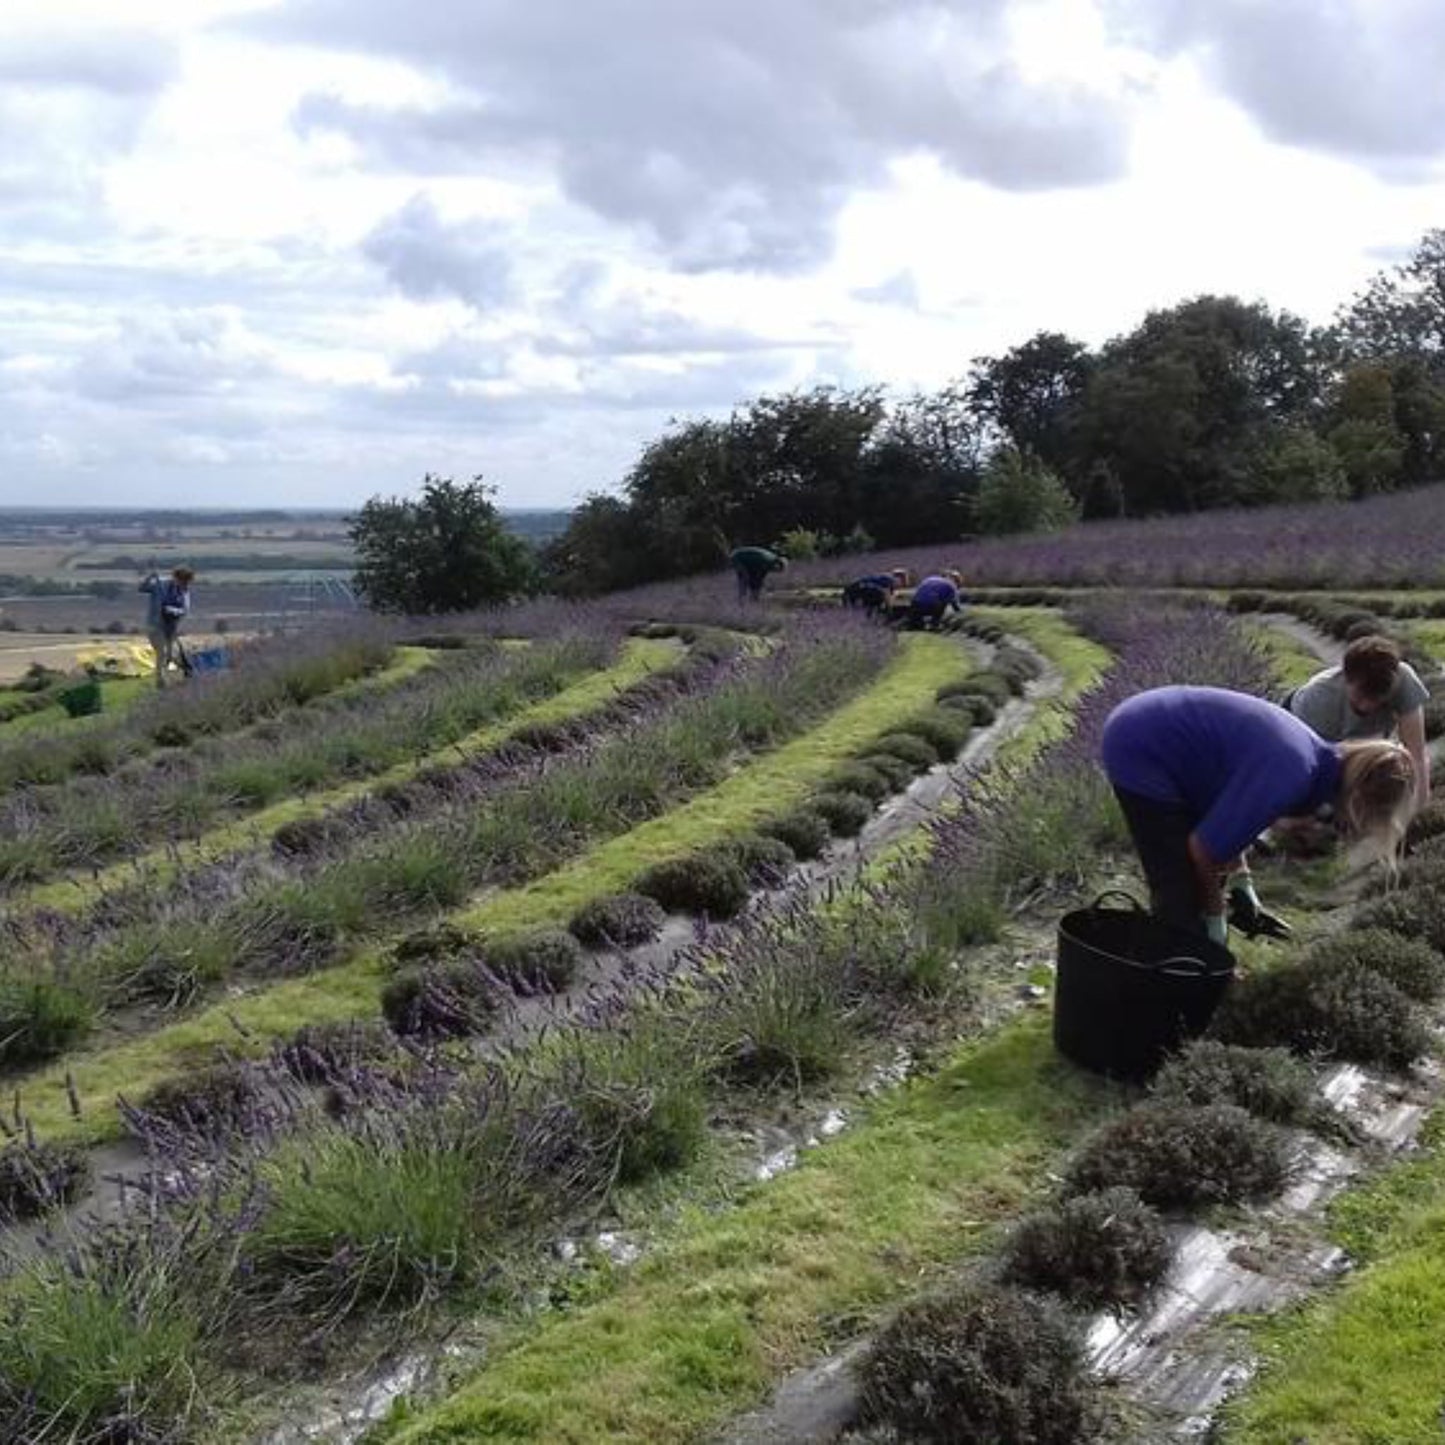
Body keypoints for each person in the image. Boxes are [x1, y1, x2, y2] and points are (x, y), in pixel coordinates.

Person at [1101, 685, 1415, 946]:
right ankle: (1172, 988)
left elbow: (1232, 813)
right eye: (1359, 819)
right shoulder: (1292, 774)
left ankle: (1182, 961)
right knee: (1179, 895)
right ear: (1358, 798)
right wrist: (1214, 917)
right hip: (1141, 746)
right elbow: (1203, 849)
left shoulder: (1316, 760)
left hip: (1159, 733)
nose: (1347, 827)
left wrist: (1241, 881)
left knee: (1202, 882)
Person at [1287, 635, 1431, 808]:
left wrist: (1419, 807)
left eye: (1377, 699)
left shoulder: (1404, 680)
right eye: (1361, 696)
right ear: (1347, 678)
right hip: (1304, 732)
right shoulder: (1319, 698)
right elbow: (1317, 766)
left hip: (1362, 739)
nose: (1367, 706)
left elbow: (1416, 753)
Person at [139, 566, 194, 689]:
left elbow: (184, 610)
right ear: (176, 578)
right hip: (155, 626)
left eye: (186, 582)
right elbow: (141, 589)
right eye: (182, 581)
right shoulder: (160, 585)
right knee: (161, 653)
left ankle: (186, 675)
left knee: (173, 655)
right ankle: (160, 681)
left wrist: (172, 610)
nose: (184, 584)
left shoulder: (184, 593)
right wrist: (149, 578)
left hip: (170, 628)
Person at [841, 568, 910, 617]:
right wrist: (890, 611)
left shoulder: (888, 580)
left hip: (857, 589)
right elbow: (887, 597)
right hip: (856, 589)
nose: (902, 584)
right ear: (898, 578)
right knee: (878, 598)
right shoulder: (889, 580)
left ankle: (870, 617)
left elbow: (890, 597)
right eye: (902, 581)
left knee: (875, 601)